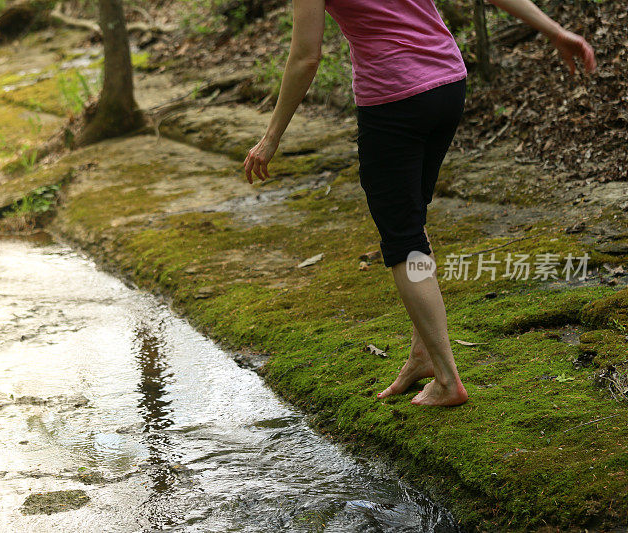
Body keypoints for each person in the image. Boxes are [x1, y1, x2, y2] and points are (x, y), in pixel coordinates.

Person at [243, 0, 596, 406]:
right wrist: (554, 30)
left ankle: (448, 380)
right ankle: (423, 353)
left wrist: (270, 138)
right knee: (412, 218)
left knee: (402, 237)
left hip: (394, 101)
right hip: (448, 84)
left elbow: (307, 57)